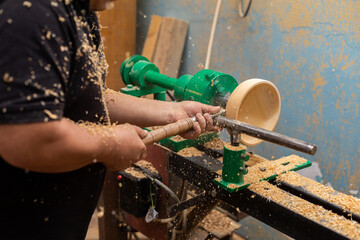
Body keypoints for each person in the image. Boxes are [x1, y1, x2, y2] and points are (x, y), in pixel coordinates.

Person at [0, 0, 220, 239]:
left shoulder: (81, 9)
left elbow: (92, 97)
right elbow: (25, 136)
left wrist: (172, 112)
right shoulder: (32, 12)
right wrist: (110, 144)